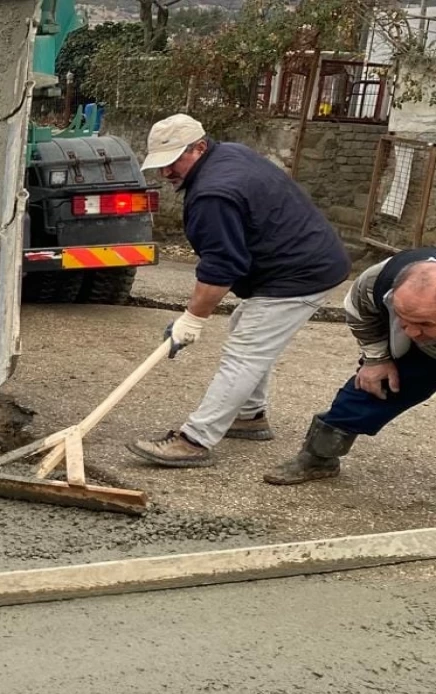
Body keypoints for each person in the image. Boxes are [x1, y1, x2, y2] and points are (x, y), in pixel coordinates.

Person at [126, 113, 351, 468]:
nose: (166, 173)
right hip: (300, 260)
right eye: (160, 165)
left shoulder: (214, 193)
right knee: (244, 331)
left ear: (199, 147)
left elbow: (221, 268)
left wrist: (192, 319)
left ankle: (194, 440)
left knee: (245, 352)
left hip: (298, 272)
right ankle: (249, 416)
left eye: (173, 162)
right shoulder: (228, 153)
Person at [265, 251, 436, 485]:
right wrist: (376, 359)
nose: (412, 331)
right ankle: (319, 458)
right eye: (404, 317)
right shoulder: (376, 281)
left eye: (425, 322)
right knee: (375, 387)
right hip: (417, 354)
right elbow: (360, 313)